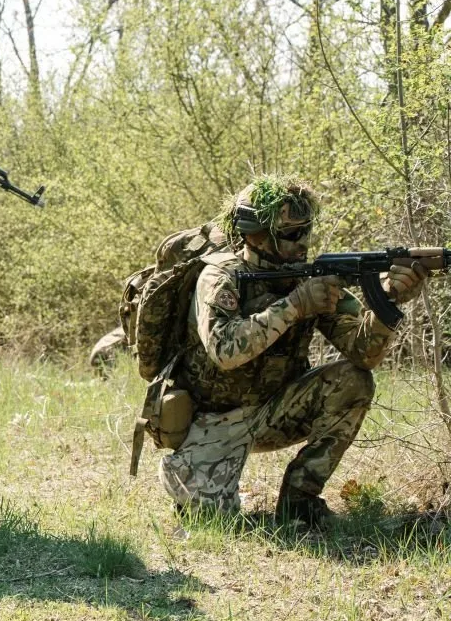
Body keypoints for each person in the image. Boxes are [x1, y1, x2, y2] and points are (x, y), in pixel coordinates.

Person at [160, 175, 427, 526]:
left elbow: (363, 354)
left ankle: (299, 501)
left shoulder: (307, 278)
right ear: (256, 235)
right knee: (209, 522)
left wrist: (387, 302)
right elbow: (224, 350)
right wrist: (294, 306)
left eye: (306, 230)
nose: (303, 242)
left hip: (276, 410)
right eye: (291, 233)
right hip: (213, 421)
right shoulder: (220, 277)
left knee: (353, 380)